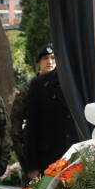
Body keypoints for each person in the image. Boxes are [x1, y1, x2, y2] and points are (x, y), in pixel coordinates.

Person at [24, 47, 79, 179]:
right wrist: (32, 165)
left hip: (78, 156)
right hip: (50, 159)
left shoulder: (83, 81)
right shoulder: (39, 84)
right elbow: (32, 126)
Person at [10, 44, 56, 173]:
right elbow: (15, 123)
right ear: (38, 62)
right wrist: (23, 157)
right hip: (34, 152)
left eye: (53, 58)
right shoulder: (27, 89)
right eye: (45, 58)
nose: (50, 62)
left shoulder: (63, 86)